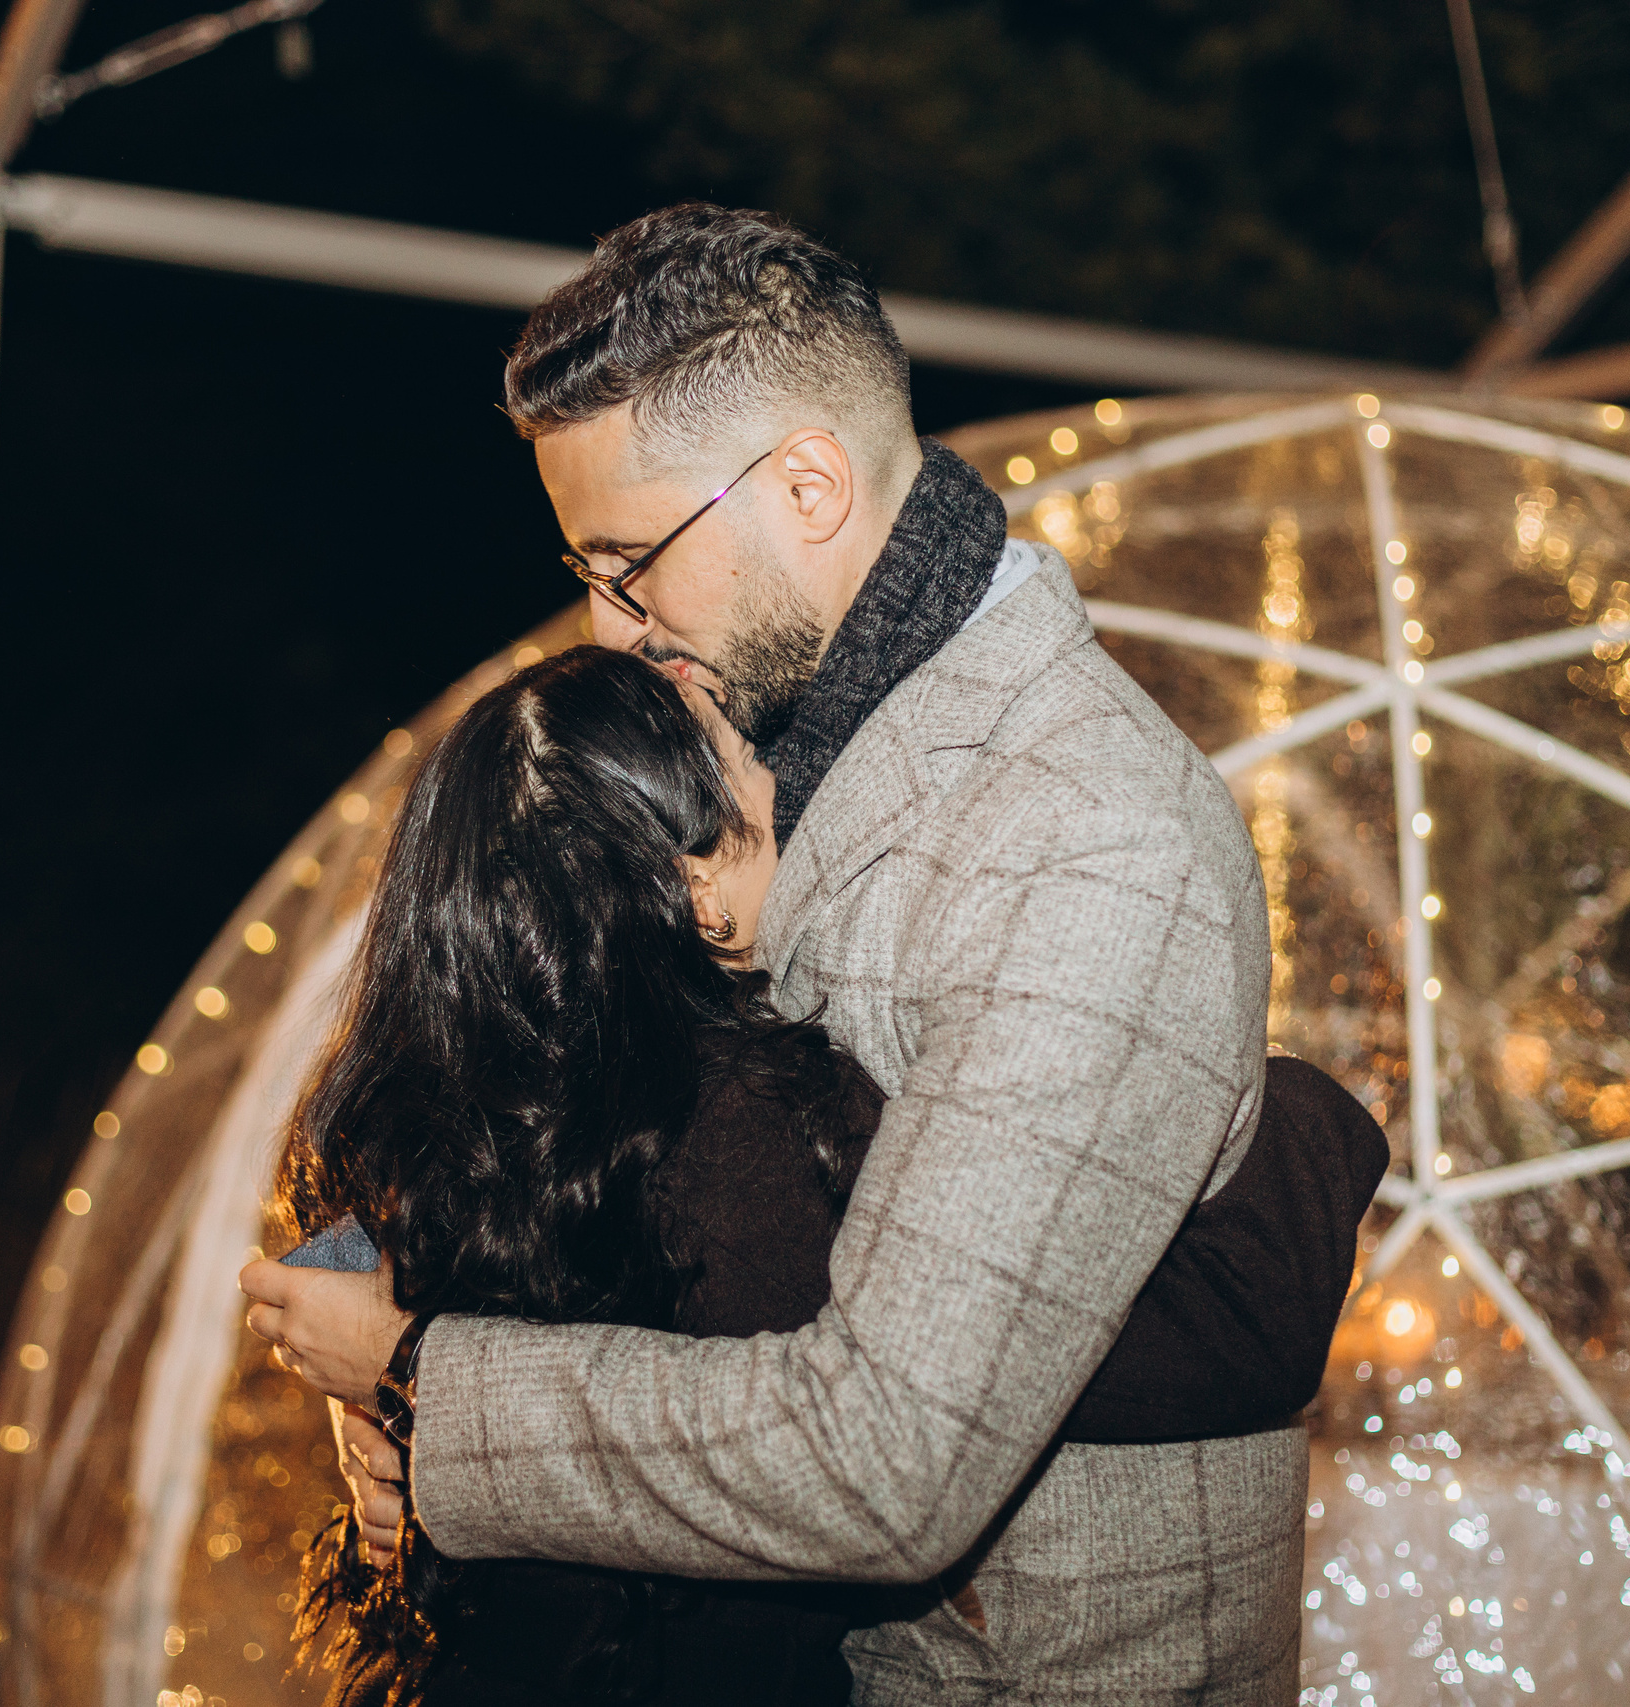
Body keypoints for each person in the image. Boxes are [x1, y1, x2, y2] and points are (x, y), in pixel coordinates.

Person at [246, 202, 1317, 1703]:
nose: (612, 628)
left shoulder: (1087, 836)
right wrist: (387, 1313)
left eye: (631, 561)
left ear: (808, 483)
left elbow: (889, 1462)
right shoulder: (767, 723)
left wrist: (425, 1376)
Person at [264, 645, 1387, 1704]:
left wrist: (387, 1397)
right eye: (764, 767)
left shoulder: (400, 1120)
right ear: (695, 884)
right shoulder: (759, 1144)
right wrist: (1274, 1095)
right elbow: (1242, 1313)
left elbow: (326, 1290)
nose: (812, 796)